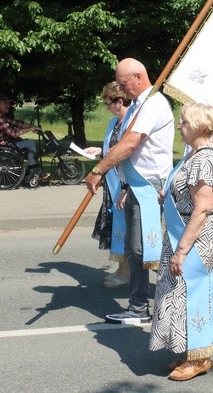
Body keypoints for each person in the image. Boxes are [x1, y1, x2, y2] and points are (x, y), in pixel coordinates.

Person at [85, 58, 174, 324]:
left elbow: (129, 146)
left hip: (150, 187)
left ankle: (153, 305)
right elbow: (126, 151)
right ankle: (141, 306)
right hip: (135, 185)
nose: (121, 90)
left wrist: (98, 171)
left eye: (124, 83)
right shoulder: (137, 106)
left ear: (138, 76)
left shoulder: (153, 104)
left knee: (143, 249)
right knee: (135, 249)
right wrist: (123, 184)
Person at [150, 103, 213, 381]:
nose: (179, 125)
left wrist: (182, 250)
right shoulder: (193, 155)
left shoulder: (204, 158)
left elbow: (203, 207)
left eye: (184, 121)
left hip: (197, 237)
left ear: (200, 127)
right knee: (180, 294)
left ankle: (200, 358)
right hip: (185, 231)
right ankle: (189, 351)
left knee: (194, 293)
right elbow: (188, 194)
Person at [83, 82, 132, 288]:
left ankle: (127, 272)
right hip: (111, 183)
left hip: (125, 183)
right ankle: (121, 268)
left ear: (119, 102)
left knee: (127, 228)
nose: (106, 107)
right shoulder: (114, 123)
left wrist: (126, 189)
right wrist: (100, 151)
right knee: (116, 227)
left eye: (108, 103)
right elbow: (112, 150)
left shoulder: (132, 122)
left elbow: (128, 152)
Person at [0, 94, 48, 180]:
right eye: (4, 103)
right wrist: (30, 128)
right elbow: (14, 133)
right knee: (30, 143)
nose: (7, 105)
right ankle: (35, 173)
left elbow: (15, 123)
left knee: (26, 142)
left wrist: (33, 126)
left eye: (8, 103)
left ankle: (33, 171)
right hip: (2, 146)